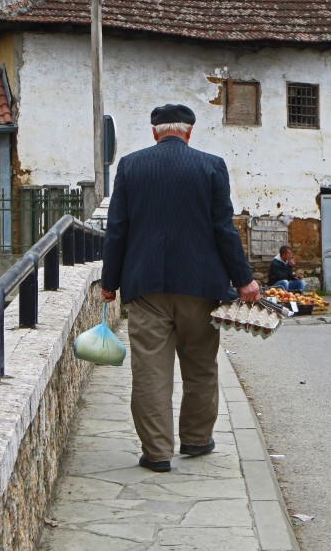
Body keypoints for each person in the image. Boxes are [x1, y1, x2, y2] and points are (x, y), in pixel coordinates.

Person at [101, 103, 260, 473]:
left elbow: (117, 229)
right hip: (201, 287)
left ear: (155, 131)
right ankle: (196, 439)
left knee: (150, 373)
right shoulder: (210, 166)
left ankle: (156, 453)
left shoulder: (130, 166)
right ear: (189, 131)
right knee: (201, 367)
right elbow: (224, 228)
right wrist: (244, 279)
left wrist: (110, 283)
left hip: (146, 287)